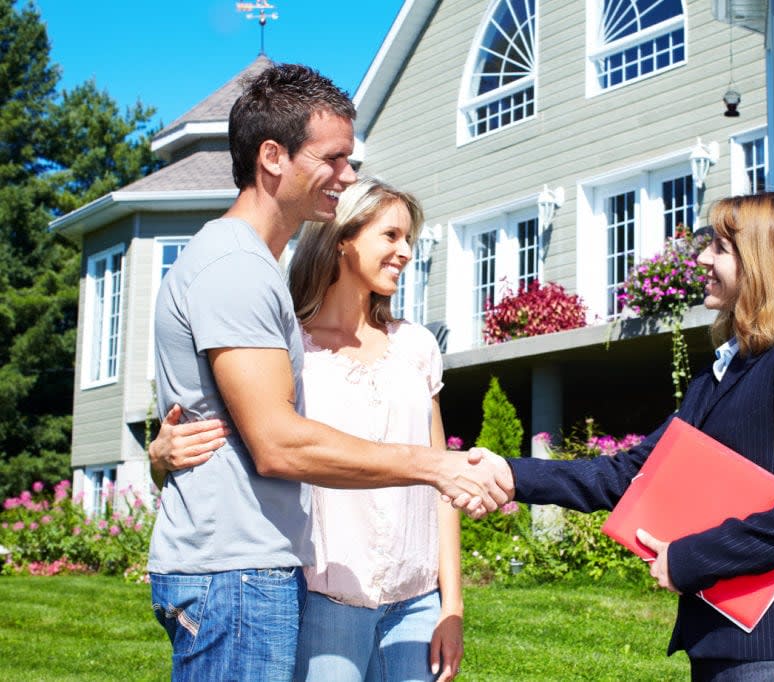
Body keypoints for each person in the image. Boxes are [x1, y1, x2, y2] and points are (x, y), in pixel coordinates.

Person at [148, 63, 509, 681]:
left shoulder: (252, 269)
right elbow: (278, 443)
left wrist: (163, 456)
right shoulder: (235, 268)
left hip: (255, 569)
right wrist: (436, 465)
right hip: (235, 572)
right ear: (272, 157)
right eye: (335, 158)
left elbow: (229, 420)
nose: (350, 175)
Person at [501, 192, 774, 681]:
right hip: (721, 647)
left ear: (764, 263)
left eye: (721, 248)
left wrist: (693, 557)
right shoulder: (716, 377)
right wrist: (508, 474)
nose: (702, 258)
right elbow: (630, 474)